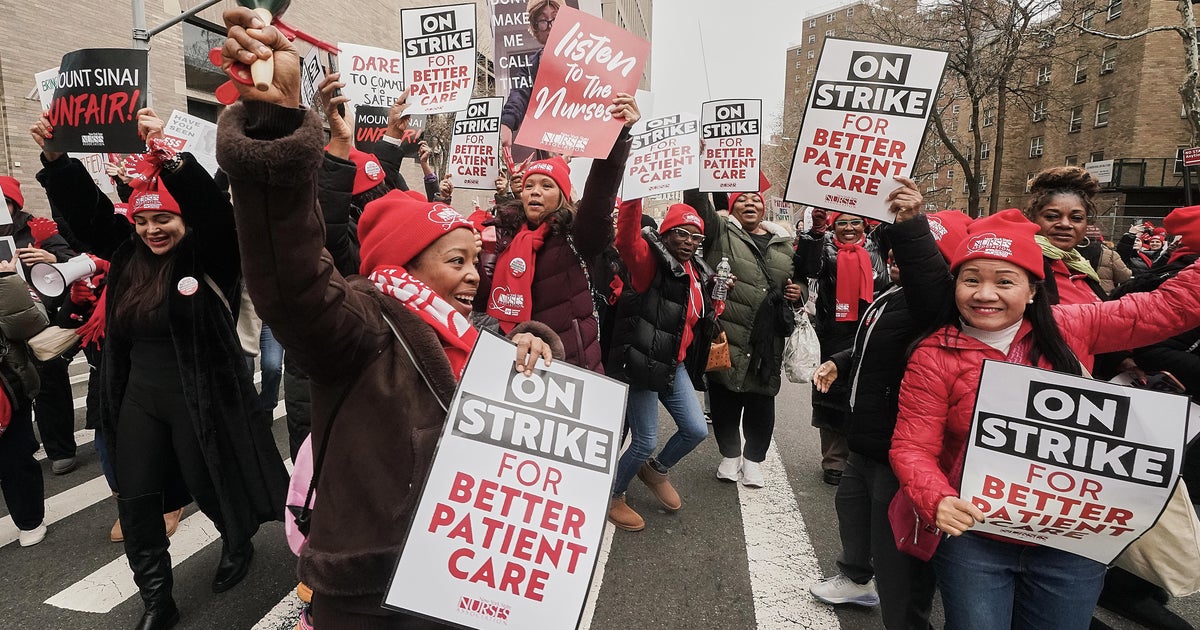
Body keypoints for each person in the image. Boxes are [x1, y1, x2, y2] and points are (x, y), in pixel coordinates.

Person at [214, 11, 560, 627]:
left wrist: (532, 347)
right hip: (376, 596)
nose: (475, 276)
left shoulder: (474, 333)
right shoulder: (361, 328)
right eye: (457, 261)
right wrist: (276, 126)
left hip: (469, 580)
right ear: (405, 265)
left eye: (476, 260)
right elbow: (291, 280)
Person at [34, 107, 288, 630]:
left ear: (183, 221)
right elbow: (87, 218)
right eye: (144, 220)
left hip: (202, 398)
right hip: (138, 399)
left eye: (163, 220)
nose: (152, 230)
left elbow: (214, 212)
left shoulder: (210, 253)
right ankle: (157, 599)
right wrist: (57, 161)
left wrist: (169, 158)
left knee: (211, 483)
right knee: (138, 499)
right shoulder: (125, 254)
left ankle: (236, 542)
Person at [890, 209, 1200, 630]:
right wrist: (937, 499)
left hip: (1072, 542)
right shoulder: (934, 354)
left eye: (1004, 281)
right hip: (976, 539)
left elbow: (1167, 308)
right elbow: (913, 446)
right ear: (955, 285)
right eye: (971, 279)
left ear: (1033, 290)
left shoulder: (1071, 325)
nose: (985, 294)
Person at [808, 182, 956, 630]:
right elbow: (874, 346)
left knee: (896, 555)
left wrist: (912, 226)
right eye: (889, 249)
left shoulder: (938, 306)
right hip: (865, 440)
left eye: (903, 250)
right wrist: (839, 361)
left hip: (899, 450)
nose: (891, 257)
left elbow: (929, 287)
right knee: (852, 511)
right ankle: (855, 579)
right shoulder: (892, 296)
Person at [479, 103, 639, 372]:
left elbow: (599, 196)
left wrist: (618, 134)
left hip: (571, 364)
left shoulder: (576, 237)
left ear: (563, 197)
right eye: (529, 186)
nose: (535, 192)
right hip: (512, 356)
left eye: (546, 186)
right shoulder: (502, 237)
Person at [605, 199, 719, 531]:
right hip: (640, 366)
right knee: (645, 440)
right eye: (681, 234)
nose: (688, 241)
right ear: (666, 234)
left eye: (695, 237)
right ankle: (614, 493)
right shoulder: (649, 264)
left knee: (696, 430)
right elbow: (626, 241)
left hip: (673, 364)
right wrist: (634, 197)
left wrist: (719, 301)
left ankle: (655, 470)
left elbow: (697, 316)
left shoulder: (697, 271)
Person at [683, 186, 802, 487]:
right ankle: (730, 456)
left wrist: (797, 289)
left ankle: (753, 462)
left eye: (755, 200)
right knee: (725, 394)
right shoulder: (720, 231)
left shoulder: (784, 243)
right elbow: (697, 204)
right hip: (728, 329)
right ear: (732, 208)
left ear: (763, 209)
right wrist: (696, 172)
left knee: (761, 397)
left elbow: (795, 277)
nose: (749, 204)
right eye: (742, 200)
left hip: (767, 335)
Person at [795, 210, 889, 485]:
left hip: (872, 330)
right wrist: (815, 232)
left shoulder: (878, 245)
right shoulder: (822, 246)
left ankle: (859, 457)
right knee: (831, 395)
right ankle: (834, 460)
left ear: (865, 224)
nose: (849, 228)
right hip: (834, 332)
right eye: (842, 223)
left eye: (855, 222)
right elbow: (808, 269)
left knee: (865, 395)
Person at [0, 175, 79, 475]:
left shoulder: (37, 228)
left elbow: (71, 260)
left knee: (49, 385)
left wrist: (50, 256)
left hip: (37, 320)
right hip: (2, 329)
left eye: (6, 204)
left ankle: (60, 447)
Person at [0, 262, 50, 547]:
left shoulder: (5, 278)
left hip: (6, 385)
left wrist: (7, 279)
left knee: (14, 455)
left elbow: (33, 321)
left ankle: (29, 518)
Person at [500, 0, 560, 154]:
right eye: (543, 21)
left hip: (582, 142)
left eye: (556, 17)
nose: (550, 25)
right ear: (535, 28)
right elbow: (519, 94)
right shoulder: (530, 66)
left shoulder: (589, 55)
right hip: (548, 145)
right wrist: (506, 124)